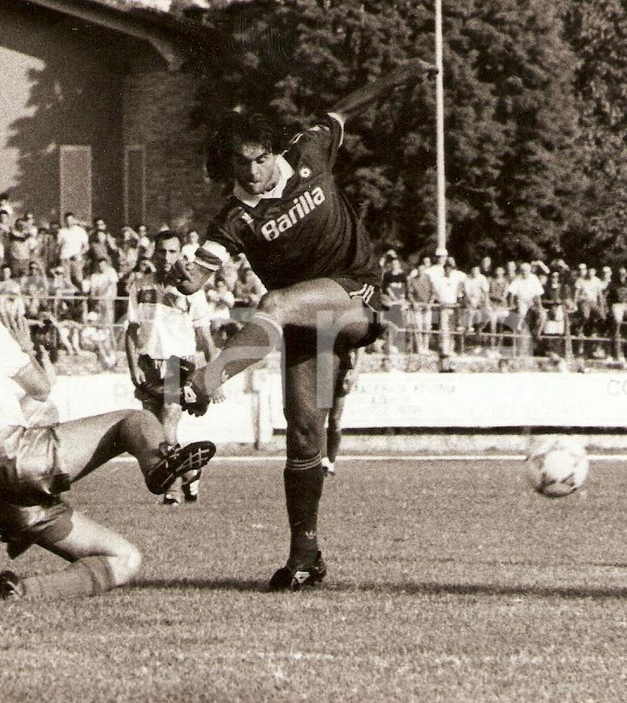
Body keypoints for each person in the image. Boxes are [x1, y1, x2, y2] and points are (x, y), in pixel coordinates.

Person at [171, 58, 434, 591]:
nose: (251, 172)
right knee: (304, 431)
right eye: (240, 165)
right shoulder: (233, 219)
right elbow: (195, 278)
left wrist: (403, 72)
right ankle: (305, 556)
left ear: (274, 151)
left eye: (260, 160)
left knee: (271, 303)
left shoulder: (310, 150)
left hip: (357, 295)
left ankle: (208, 380)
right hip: (306, 323)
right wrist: (179, 275)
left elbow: (346, 107)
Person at [0, 272, 215, 600]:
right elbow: (40, 387)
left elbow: (32, 404)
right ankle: (161, 465)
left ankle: (24, 591)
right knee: (134, 420)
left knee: (124, 558)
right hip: (13, 457)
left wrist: (42, 358)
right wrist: (28, 348)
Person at [125, 230, 218, 506]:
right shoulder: (140, 285)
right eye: (162, 251)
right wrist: (133, 368)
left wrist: (213, 379)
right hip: (148, 362)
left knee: (169, 417)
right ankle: (190, 472)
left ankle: (172, 490)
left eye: (172, 252)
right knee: (155, 432)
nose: (167, 257)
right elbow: (131, 331)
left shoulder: (191, 289)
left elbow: (205, 338)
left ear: (181, 254)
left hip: (180, 362)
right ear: (154, 253)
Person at [322, 347, 358, 477]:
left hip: (344, 369)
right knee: (319, 417)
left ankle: (331, 462)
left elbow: (361, 345)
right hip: (324, 366)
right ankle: (323, 459)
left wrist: (355, 371)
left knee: (335, 419)